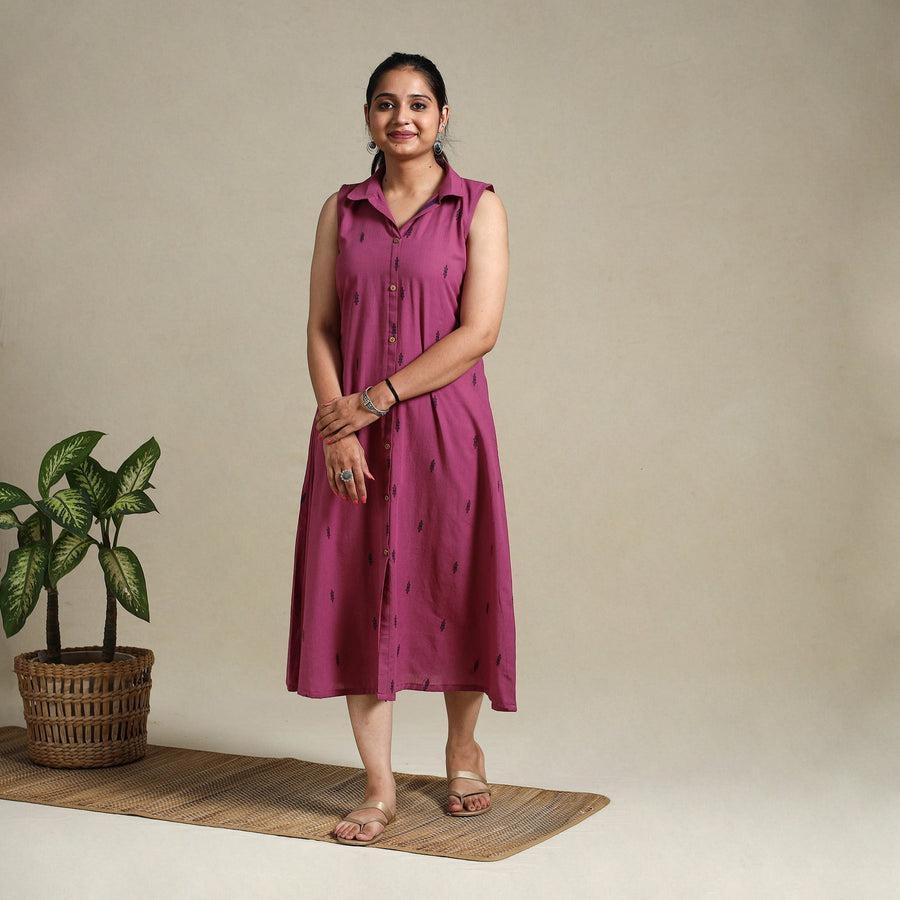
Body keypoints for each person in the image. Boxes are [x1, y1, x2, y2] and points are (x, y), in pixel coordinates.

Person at [286, 51, 516, 846]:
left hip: (447, 429)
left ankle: (462, 749)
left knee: (458, 582)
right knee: (359, 592)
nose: (402, 117)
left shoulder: (477, 207)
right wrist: (339, 424)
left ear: (442, 117)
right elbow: (320, 327)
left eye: (419, 104)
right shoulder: (341, 210)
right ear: (368, 117)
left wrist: (376, 400)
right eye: (386, 103)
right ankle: (379, 785)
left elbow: (479, 332)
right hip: (351, 434)